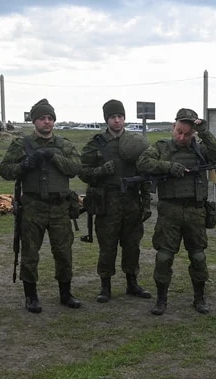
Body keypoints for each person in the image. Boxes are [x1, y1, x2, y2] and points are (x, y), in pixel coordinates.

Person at [135, 108, 216, 315]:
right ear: (173, 127)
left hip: (195, 211)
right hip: (170, 212)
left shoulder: (200, 150)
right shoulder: (161, 147)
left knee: (198, 257)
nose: (182, 137)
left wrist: (205, 132)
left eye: (187, 133)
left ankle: (199, 298)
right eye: (179, 132)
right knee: (164, 257)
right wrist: (167, 167)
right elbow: (142, 163)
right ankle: (161, 299)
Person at [0, 98, 83, 313]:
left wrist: (54, 157)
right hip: (33, 207)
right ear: (34, 121)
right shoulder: (22, 144)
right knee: (30, 253)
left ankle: (66, 293)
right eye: (42, 118)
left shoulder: (63, 145)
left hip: (59, 207)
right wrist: (25, 164)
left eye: (50, 118)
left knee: (64, 253)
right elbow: (5, 170)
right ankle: (31, 296)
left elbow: (75, 168)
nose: (47, 122)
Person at [78, 99, 152, 303]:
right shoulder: (96, 144)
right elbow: (81, 172)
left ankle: (132, 283)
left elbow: (145, 174)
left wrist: (146, 203)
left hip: (131, 201)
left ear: (125, 118)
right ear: (107, 120)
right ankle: (105, 286)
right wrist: (100, 171)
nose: (117, 120)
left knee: (132, 245)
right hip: (107, 202)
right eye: (113, 117)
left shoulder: (136, 143)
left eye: (120, 116)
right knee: (107, 246)